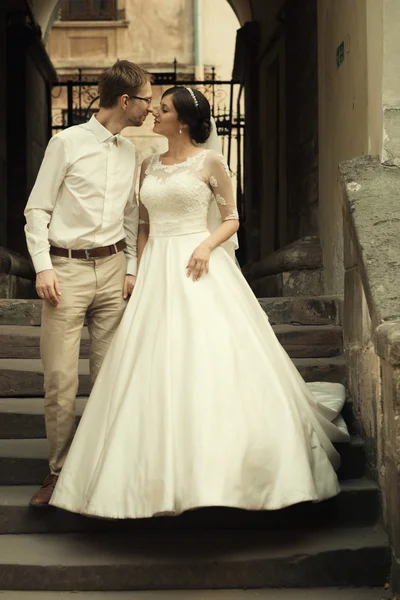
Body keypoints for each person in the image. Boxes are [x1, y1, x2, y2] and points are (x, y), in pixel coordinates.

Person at [50, 86, 349, 519]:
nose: (155, 112)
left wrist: (207, 247)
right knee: (151, 360)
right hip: (157, 268)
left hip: (198, 261)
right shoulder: (148, 163)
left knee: (210, 354)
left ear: (184, 121)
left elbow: (231, 220)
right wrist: (135, 269)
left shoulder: (210, 161)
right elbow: (143, 226)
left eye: (164, 109)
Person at [24, 60, 153, 507]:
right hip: (66, 273)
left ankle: (99, 471)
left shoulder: (129, 153)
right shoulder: (67, 144)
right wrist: (42, 266)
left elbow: (130, 216)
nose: (150, 110)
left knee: (108, 378)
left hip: (114, 272)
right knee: (60, 380)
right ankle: (58, 473)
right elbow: (37, 209)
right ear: (125, 101)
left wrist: (132, 269)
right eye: (146, 101)